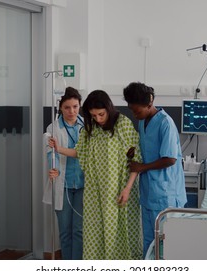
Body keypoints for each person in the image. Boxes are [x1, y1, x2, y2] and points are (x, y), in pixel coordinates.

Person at [49, 90, 142, 260]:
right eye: (93, 115)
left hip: (119, 190)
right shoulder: (90, 127)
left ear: (108, 108)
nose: (98, 119)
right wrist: (58, 149)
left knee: (119, 233)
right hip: (94, 191)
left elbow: (135, 161)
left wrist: (127, 188)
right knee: (93, 233)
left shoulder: (122, 124)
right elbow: (80, 152)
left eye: (101, 114)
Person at [123, 82, 187, 258]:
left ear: (149, 104)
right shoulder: (144, 122)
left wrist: (142, 167)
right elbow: (149, 149)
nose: (135, 115)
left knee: (167, 242)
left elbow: (171, 158)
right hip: (150, 192)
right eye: (132, 110)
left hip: (166, 193)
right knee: (149, 241)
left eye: (137, 111)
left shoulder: (165, 123)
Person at [44, 87, 85, 260]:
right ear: (60, 107)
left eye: (75, 106)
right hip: (64, 185)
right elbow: (50, 152)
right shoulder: (53, 128)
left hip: (83, 185)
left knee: (79, 231)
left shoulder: (86, 125)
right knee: (65, 231)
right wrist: (53, 168)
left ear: (80, 106)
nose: (72, 111)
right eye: (67, 107)